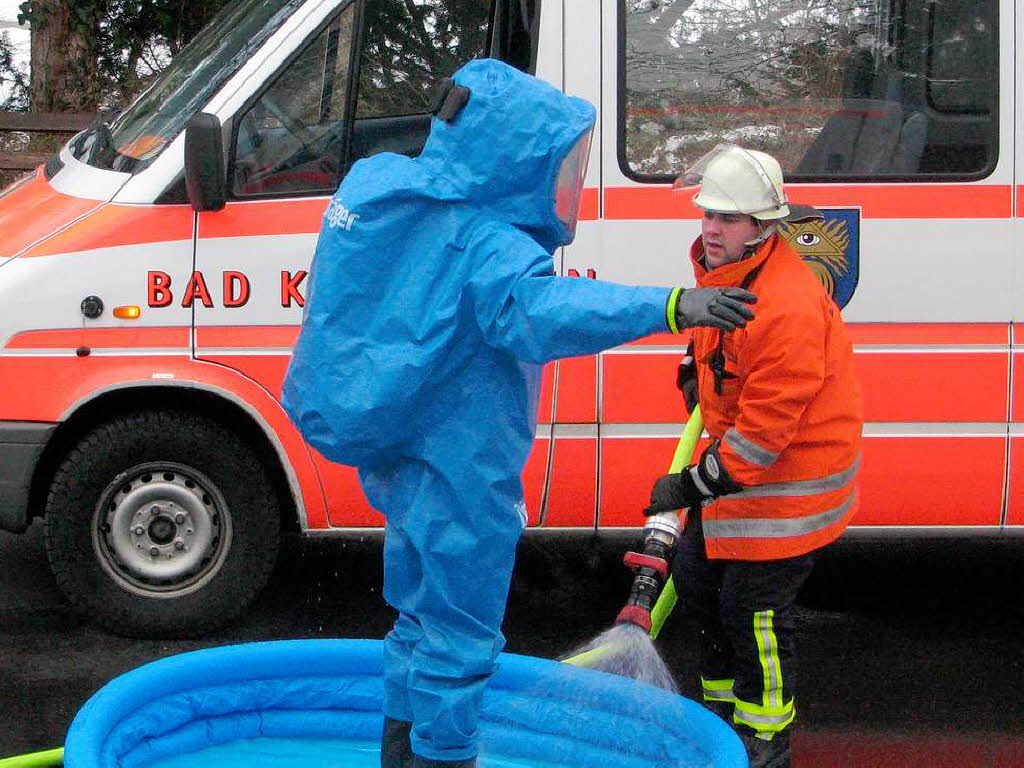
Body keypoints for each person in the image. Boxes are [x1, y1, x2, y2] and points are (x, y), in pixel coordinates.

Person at [282, 61, 758, 768]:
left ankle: (399, 751)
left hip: (403, 446)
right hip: (460, 464)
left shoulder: (385, 189)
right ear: (516, 155)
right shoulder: (488, 244)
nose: (565, 183)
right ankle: (443, 758)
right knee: (461, 634)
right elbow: (542, 311)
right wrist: (666, 306)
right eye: (558, 164)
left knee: (417, 618)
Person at [644, 144, 863, 768]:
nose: (712, 229)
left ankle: (767, 736)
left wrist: (688, 486)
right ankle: (719, 715)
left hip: (794, 482)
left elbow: (766, 434)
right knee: (697, 585)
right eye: (708, 214)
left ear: (764, 228)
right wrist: (694, 369)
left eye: (729, 219)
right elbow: (713, 343)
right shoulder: (729, 274)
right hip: (746, 473)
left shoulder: (786, 305)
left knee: (752, 610)